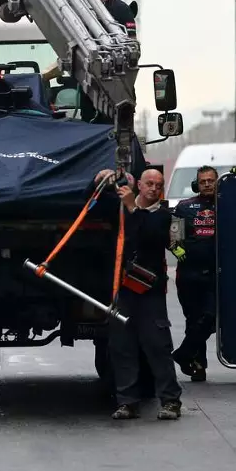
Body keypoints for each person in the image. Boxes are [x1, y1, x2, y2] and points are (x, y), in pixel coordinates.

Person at [92, 167, 183, 420]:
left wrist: (134, 208)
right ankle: (127, 401)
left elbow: (152, 237)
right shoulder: (120, 207)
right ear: (139, 185)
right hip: (122, 290)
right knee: (122, 346)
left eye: (159, 184)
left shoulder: (165, 216)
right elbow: (92, 200)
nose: (154, 188)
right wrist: (100, 178)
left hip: (149, 292)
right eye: (149, 183)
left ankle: (170, 401)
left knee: (157, 346)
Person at [169, 165, 218, 382]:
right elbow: (173, 236)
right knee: (193, 320)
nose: (207, 184)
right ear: (196, 184)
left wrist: (235, 180)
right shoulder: (184, 207)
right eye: (203, 181)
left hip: (217, 274)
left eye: (211, 180)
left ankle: (183, 353)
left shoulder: (227, 204)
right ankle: (197, 366)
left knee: (210, 316)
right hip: (189, 274)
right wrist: (176, 248)